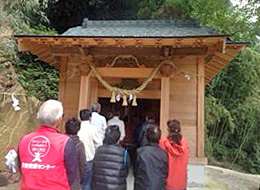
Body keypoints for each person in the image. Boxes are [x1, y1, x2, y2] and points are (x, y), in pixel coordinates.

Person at [18, 99, 77, 190]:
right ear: (59, 120)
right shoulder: (66, 142)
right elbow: (71, 173)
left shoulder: (24, 140)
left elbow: (21, 167)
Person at [92, 125, 129, 190]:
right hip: (117, 186)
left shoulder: (98, 150)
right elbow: (126, 171)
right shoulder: (124, 152)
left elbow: (94, 168)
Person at [134, 124, 168, 190]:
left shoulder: (141, 152)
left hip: (143, 186)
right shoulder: (164, 153)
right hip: (159, 186)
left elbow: (135, 171)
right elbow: (165, 172)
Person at [159, 119, 189, 190]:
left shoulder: (163, 143)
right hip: (181, 183)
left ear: (168, 130)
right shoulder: (185, 143)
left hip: (167, 183)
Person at [78, 109, 102, 190]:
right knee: (87, 184)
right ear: (90, 118)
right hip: (89, 159)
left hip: (76, 159)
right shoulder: (93, 129)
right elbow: (99, 144)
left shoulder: (76, 127)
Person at [65, 118, 86, 190]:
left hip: (60, 180)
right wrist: (82, 178)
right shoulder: (79, 144)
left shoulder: (61, 143)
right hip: (75, 180)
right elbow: (82, 164)